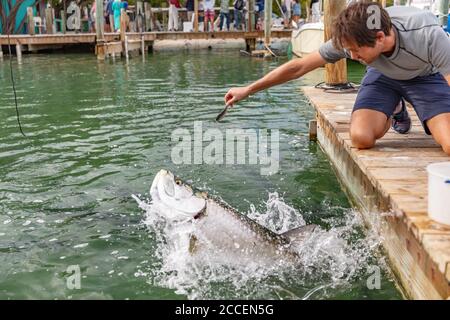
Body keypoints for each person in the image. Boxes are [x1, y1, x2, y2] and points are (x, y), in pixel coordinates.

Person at [224, 2, 450, 156]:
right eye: (347, 50)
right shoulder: (353, 36)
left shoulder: (428, 35)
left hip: (425, 77)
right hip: (383, 76)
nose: (351, 56)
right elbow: (299, 67)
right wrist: (249, 89)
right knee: (361, 138)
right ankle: (395, 107)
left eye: (355, 51)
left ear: (380, 37)